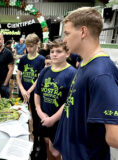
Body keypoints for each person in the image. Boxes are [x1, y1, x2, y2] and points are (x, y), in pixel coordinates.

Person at [53, 7, 118, 160]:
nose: (64, 39)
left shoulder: (101, 73)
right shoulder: (85, 64)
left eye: (67, 33)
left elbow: (114, 136)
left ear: (83, 32)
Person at [34, 39, 77, 160]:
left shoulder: (72, 74)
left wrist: (52, 119)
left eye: (58, 51)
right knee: (47, 143)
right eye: (52, 51)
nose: (54, 54)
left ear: (67, 54)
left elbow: (69, 102)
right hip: (44, 117)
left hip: (61, 121)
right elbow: (37, 93)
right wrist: (40, 112)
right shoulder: (45, 71)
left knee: (56, 151)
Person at [16, 33, 45, 159]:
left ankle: (36, 139)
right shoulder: (23, 59)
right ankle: (22, 135)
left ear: (37, 45)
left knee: (35, 115)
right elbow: (18, 75)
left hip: (34, 93)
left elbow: (39, 78)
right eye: (27, 46)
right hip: (23, 91)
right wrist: (22, 89)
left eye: (31, 46)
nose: (29, 49)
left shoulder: (41, 59)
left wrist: (29, 91)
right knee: (21, 113)